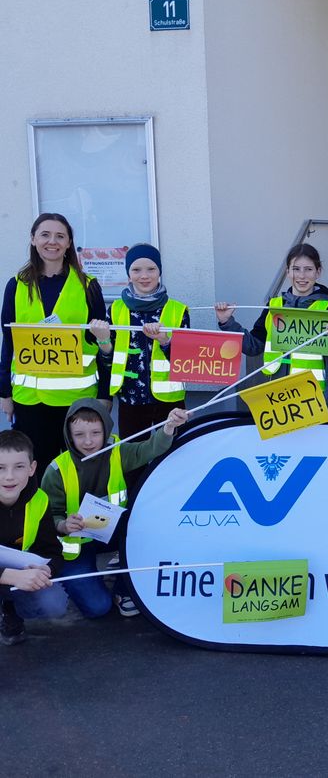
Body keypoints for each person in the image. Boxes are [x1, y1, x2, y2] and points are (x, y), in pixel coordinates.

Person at [42, 398, 188, 618]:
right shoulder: (56, 471)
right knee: (98, 608)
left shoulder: (118, 451)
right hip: (75, 546)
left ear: (106, 430)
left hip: (109, 532)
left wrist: (168, 427)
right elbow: (44, 520)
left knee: (146, 529)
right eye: (79, 434)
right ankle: (82, 580)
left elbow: (149, 449)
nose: (88, 441)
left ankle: (123, 586)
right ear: (69, 435)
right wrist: (62, 525)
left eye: (95, 433)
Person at [0, 213, 112, 480]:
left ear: (69, 242)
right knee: (38, 472)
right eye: (45, 235)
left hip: (78, 401)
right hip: (30, 400)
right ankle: (46, 522)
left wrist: (106, 394)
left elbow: (104, 341)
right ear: (33, 239)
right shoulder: (16, 286)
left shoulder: (88, 286)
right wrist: (4, 392)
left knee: (82, 471)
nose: (53, 242)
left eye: (60, 236)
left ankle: (81, 522)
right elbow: (9, 342)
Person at [215, 244, 328, 411]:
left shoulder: (326, 309)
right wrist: (227, 322)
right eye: (296, 269)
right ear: (287, 271)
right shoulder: (274, 307)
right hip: (277, 398)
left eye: (308, 269)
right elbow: (253, 346)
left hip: (313, 400)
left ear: (318, 272)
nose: (302, 275)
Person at [99, 243, 190, 438]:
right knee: (134, 461)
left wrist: (165, 341)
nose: (144, 275)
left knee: (172, 456)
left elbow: (186, 361)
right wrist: (103, 342)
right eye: (136, 269)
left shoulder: (178, 310)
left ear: (160, 272)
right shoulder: (116, 309)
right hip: (130, 401)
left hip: (169, 402)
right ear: (128, 273)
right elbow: (108, 361)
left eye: (151, 269)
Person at [0, 430, 67, 646]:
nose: (9, 476)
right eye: (0, 468)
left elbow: (52, 552)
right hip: (8, 575)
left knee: (54, 602)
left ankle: (9, 609)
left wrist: (47, 570)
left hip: (16, 572)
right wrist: (8, 576)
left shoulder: (39, 499)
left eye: (19, 466)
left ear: (32, 468)